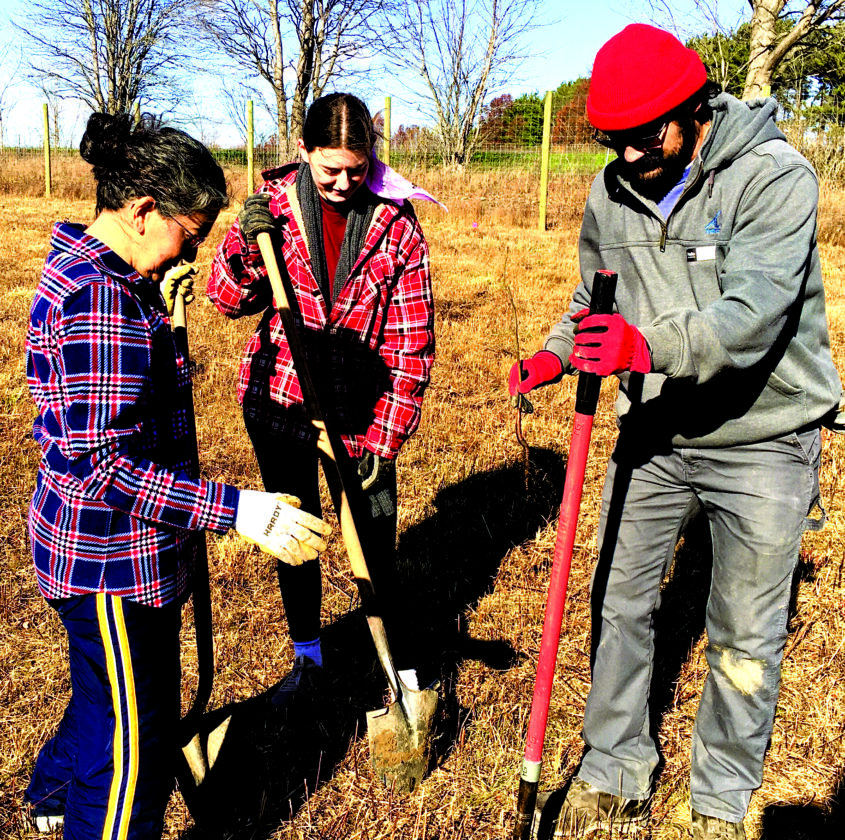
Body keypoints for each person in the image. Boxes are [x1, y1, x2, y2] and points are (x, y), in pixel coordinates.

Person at [509, 23, 842, 840]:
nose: (627, 156)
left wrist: (644, 345)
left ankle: (719, 802)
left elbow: (751, 317)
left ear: (692, 110)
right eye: (610, 141)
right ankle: (614, 769)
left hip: (762, 437)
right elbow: (596, 301)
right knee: (617, 601)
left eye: (642, 135)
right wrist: (558, 355)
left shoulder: (772, 178)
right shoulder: (608, 191)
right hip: (655, 432)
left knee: (742, 631)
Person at [23, 112, 331, 839]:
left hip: (88, 552)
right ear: (140, 212)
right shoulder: (103, 300)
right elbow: (102, 462)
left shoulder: (99, 274)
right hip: (111, 560)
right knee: (135, 751)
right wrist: (237, 511)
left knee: (105, 697)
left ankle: (50, 797)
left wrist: (156, 313)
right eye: (187, 235)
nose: (182, 253)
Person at [206, 93, 437, 703]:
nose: (341, 183)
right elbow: (225, 298)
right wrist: (243, 248)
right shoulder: (271, 212)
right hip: (280, 400)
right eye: (328, 168)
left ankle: (395, 663)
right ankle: (308, 654)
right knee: (297, 528)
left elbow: (412, 343)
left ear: (372, 159)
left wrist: (383, 441)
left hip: (362, 412)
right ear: (303, 152)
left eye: (356, 170)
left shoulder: (398, 223)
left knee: (374, 531)